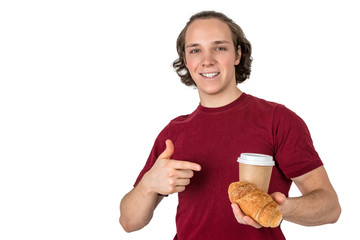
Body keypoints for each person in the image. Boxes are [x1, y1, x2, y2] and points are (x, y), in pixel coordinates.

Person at [119, 10, 341, 239]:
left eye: (220, 48)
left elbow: (330, 208)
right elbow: (128, 222)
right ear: (186, 60)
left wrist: (278, 209)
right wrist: (147, 185)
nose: (207, 60)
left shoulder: (277, 119)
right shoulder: (173, 134)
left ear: (237, 54)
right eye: (195, 50)